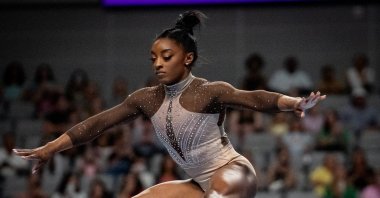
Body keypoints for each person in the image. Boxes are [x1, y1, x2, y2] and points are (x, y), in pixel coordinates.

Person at [13, 11, 326, 198]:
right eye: (153, 59)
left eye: (167, 57)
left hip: (233, 173)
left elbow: (254, 98)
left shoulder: (208, 91)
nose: (158, 64)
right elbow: (97, 124)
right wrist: (51, 147)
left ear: (187, 58)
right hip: (197, 184)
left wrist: (293, 102)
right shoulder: (146, 99)